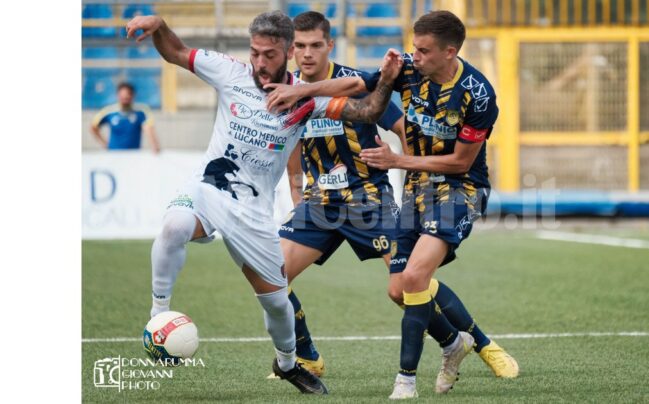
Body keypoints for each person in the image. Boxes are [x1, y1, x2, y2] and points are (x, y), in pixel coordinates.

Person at [125, 10, 401, 395]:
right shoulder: (229, 72)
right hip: (209, 188)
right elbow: (176, 52)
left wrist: (385, 81)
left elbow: (368, 110)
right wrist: (159, 26)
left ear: (288, 53)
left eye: (269, 55)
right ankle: (157, 317)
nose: (259, 62)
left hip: (252, 213)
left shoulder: (305, 99)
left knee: (275, 302)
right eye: (255, 52)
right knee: (174, 226)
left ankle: (289, 363)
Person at [264, 10, 519, 399]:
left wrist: (399, 161)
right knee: (272, 276)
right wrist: (299, 194)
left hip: (368, 198)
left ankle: (480, 343)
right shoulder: (290, 90)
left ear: (329, 45)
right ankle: (307, 356)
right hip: (320, 204)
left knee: (405, 286)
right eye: (299, 46)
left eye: (315, 44)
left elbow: (404, 129)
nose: (307, 53)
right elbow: (295, 146)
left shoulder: (365, 82)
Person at [90, 82, 161, 153]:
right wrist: (104, 144)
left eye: (127, 98)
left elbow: (148, 129)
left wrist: (154, 146)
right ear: (118, 96)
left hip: (133, 154)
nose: (125, 100)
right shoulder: (109, 111)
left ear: (133, 96)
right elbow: (93, 127)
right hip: (113, 154)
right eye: (122, 97)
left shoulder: (141, 111)